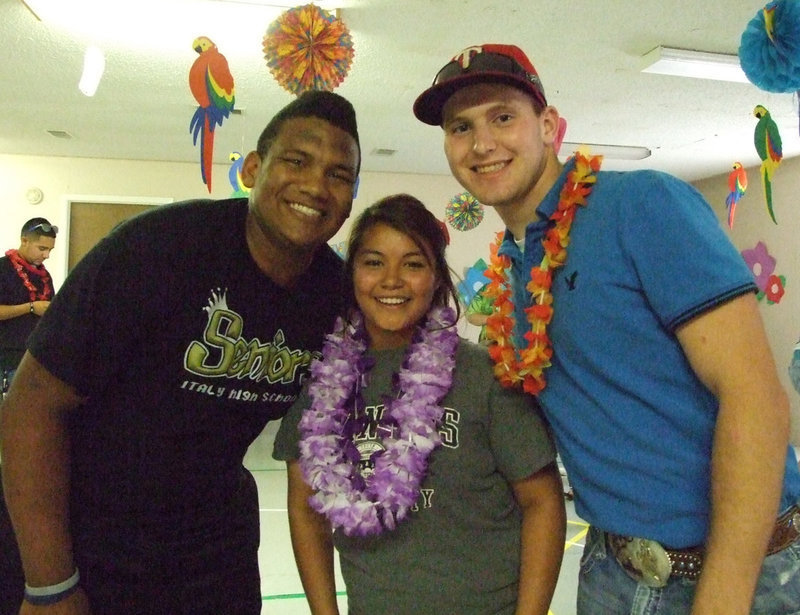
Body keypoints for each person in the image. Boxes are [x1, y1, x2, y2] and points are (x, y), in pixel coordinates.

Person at [413, 43, 800, 614]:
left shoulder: (642, 204)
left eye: (502, 117)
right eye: (460, 127)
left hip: (748, 575)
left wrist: (723, 598)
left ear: (548, 126)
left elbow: (755, 398)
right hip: (612, 572)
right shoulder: (512, 272)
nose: (482, 143)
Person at [0, 90, 361, 615]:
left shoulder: (333, 295)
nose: (315, 185)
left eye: (338, 173)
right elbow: (31, 405)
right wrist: (51, 585)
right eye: (297, 161)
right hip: (77, 537)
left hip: (210, 554)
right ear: (254, 169)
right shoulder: (157, 250)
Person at [273, 193, 566, 615]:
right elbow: (305, 506)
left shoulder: (485, 377)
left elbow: (542, 502)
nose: (391, 280)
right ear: (353, 273)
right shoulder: (322, 388)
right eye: (373, 262)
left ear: (436, 277)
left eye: (413, 264)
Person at [0, 218, 57, 396]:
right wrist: (31, 307)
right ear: (24, 241)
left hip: (35, 358)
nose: (46, 255)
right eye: (42, 248)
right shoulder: (3, 269)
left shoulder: (44, 276)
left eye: (50, 250)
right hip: (7, 357)